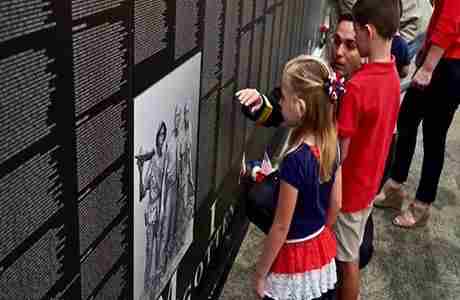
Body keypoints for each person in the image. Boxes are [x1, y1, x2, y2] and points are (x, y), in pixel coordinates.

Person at [237, 13, 375, 270]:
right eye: (336, 41)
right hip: (314, 184)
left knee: (359, 251)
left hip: (348, 193)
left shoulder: (366, 94)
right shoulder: (317, 77)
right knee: (259, 200)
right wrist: (259, 104)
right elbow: (280, 108)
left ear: (366, 47)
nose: (339, 51)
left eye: (350, 45)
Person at [247, 55, 342, 300]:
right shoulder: (331, 142)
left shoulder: (295, 160)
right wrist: (319, 238)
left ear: (299, 106)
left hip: (295, 257)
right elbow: (336, 204)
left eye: (284, 97)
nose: (279, 101)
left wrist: (260, 273)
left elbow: (280, 226)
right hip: (320, 249)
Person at [335, 1, 401, 299]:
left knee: (347, 262)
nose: (353, 43)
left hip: (348, 193)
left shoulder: (358, 87)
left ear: (368, 32)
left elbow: (340, 153)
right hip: (368, 187)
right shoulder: (392, 77)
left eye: (356, 36)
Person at [375, 0, 460, 228]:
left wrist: (429, 66)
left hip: (450, 63)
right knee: (407, 120)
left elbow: (450, 20)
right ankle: (395, 186)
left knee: (434, 136)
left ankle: (422, 205)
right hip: (439, 55)